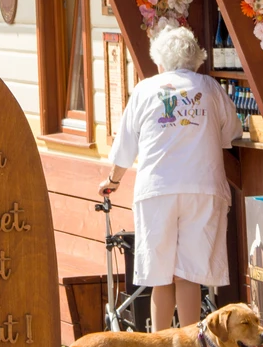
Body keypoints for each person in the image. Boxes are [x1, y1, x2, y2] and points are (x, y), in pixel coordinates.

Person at [102, 25, 243, 331]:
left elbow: (125, 146)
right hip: (202, 187)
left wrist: (113, 181)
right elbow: (232, 132)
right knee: (189, 274)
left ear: (160, 62)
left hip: (157, 189)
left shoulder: (145, 89)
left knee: (160, 276)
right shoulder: (209, 87)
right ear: (197, 60)